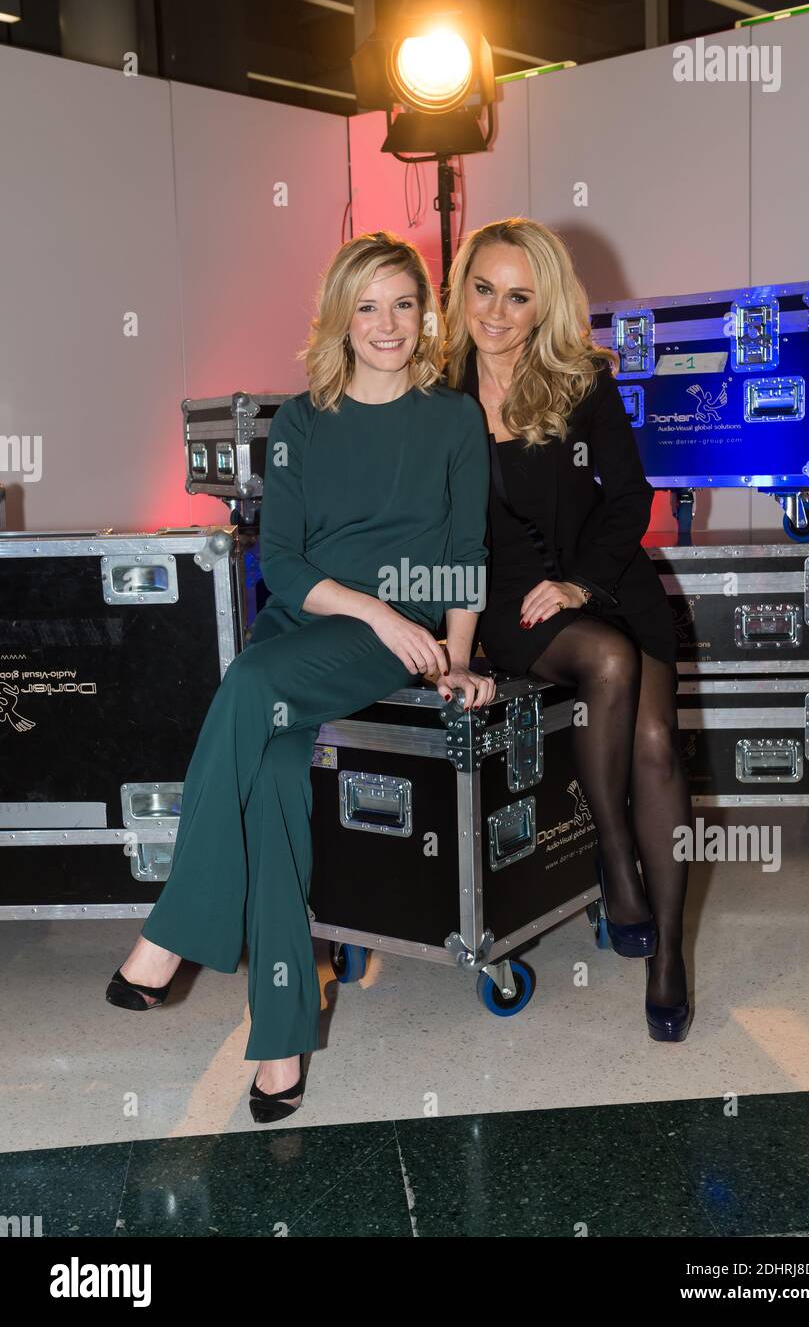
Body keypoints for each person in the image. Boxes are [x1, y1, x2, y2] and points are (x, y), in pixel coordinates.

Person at [105, 230, 496, 1120]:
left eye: (403, 303)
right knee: (275, 777)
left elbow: (466, 555)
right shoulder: (302, 423)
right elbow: (279, 561)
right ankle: (281, 1040)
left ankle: (171, 936)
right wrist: (371, 609)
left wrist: (459, 656)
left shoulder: (453, 418)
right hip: (321, 620)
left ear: (425, 314)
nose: (387, 324)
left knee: (246, 687)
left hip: (407, 629)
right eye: (367, 306)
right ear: (340, 320)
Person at [446, 217, 692, 1041]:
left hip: (608, 578)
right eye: (483, 289)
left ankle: (668, 957)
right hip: (514, 602)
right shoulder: (434, 390)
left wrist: (581, 579)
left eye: (518, 297)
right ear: (462, 287)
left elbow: (629, 497)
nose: (496, 312)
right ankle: (614, 859)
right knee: (610, 664)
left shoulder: (578, 378)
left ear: (543, 304)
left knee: (656, 745)